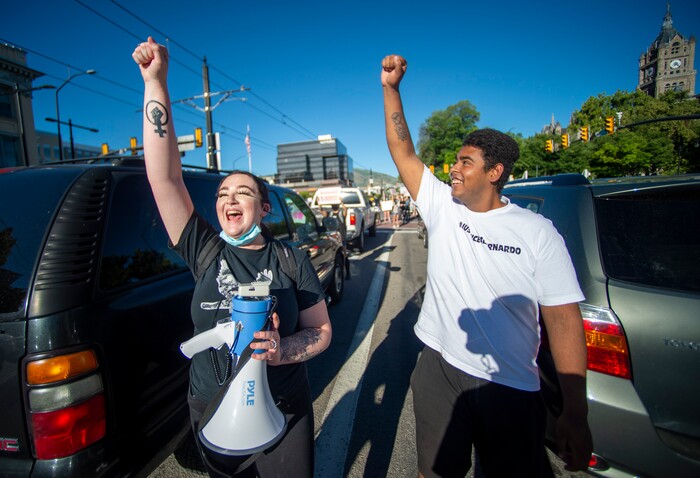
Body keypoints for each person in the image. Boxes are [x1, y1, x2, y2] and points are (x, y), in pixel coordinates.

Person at [381, 54, 592, 478]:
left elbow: (564, 321)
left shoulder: (538, 232)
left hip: (511, 386)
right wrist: (390, 88)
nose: (453, 170)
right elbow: (402, 149)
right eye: (456, 161)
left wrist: (575, 411)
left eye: (465, 163)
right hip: (438, 367)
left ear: (495, 172)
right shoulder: (443, 206)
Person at [133, 37, 331, 478]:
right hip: (213, 404)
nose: (229, 198)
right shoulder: (204, 249)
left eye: (243, 191)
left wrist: (282, 350)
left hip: (283, 404)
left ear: (264, 208)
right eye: (223, 193)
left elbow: (321, 332)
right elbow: (163, 177)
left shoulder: (289, 259)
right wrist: (155, 82)